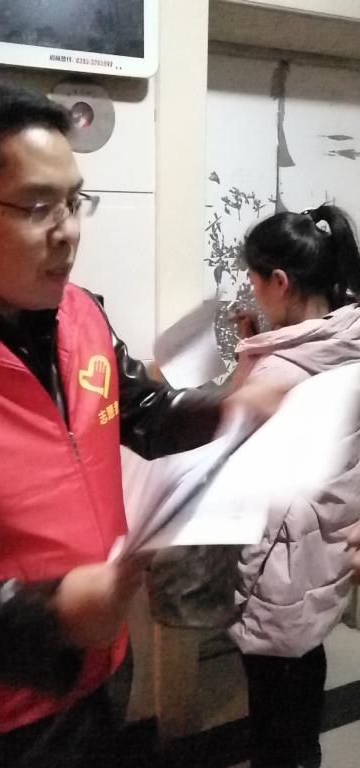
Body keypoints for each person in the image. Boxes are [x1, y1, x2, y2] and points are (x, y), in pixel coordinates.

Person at [0, 83, 277, 768]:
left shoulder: (81, 312)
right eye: (38, 206)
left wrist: (230, 409)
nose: (68, 230)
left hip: (105, 669)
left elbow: (141, 412)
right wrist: (48, 615)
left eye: (75, 201)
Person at [227, 204, 360, 768]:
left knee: (275, 730)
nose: (253, 291)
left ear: (280, 282)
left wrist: (249, 361)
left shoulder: (277, 373)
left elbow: (228, 453)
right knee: (305, 685)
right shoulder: (349, 339)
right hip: (326, 559)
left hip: (278, 575)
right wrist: (260, 344)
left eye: (255, 280)